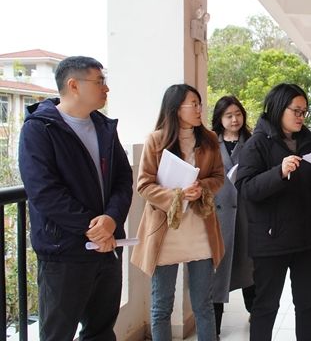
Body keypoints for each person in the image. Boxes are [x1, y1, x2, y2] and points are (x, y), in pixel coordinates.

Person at [18, 56, 133, 341]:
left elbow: (123, 179)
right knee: (58, 334)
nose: (106, 88)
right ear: (73, 85)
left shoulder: (104, 127)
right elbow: (44, 191)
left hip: (107, 247)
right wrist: (91, 227)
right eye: (99, 81)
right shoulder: (39, 128)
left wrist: (111, 219)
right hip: (64, 251)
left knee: (101, 331)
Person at [235, 83, 311, 341]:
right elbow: (246, 189)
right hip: (271, 239)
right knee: (266, 306)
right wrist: (279, 172)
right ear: (279, 108)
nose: (301, 116)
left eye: (304, 111)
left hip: (307, 238)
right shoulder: (257, 143)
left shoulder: (310, 142)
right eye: (296, 110)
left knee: (308, 305)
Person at [131, 84, 225, 341]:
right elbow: (144, 185)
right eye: (193, 104)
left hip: (200, 230)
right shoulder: (156, 140)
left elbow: (219, 177)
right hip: (165, 233)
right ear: (175, 108)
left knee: (203, 305)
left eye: (199, 103)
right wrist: (177, 195)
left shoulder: (209, 139)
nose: (199, 109)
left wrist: (200, 188)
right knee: (161, 307)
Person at [211, 95, 255, 336]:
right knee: (217, 275)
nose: (234, 119)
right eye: (228, 115)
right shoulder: (209, 142)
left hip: (247, 214)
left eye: (238, 114)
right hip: (218, 217)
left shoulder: (253, 141)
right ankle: (214, 328)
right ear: (219, 118)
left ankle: (256, 315)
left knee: (249, 270)